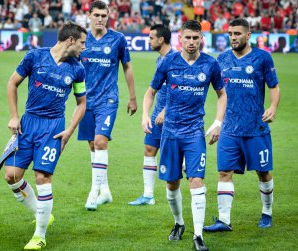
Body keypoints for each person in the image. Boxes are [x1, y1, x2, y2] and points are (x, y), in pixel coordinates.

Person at [143, 20, 227, 251]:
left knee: (196, 180)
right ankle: (179, 223)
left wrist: (218, 122)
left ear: (202, 38)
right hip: (169, 133)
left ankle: (198, 235)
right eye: (188, 37)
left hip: (194, 133)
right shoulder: (168, 61)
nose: (192, 42)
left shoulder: (210, 64)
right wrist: (144, 115)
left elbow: (222, 94)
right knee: (172, 184)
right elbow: (151, 92)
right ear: (181, 38)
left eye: (195, 38)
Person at [3, 22, 87, 250]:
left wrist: (69, 130)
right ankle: (42, 213)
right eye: (82, 43)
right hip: (28, 123)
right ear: (70, 40)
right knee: (11, 176)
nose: (83, 47)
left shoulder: (77, 69)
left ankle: (39, 235)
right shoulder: (35, 57)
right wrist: (13, 116)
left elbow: (81, 104)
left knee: (42, 177)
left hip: (53, 128)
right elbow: (12, 83)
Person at [203, 18, 280, 233]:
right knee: (224, 172)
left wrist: (273, 107)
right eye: (230, 33)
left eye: (237, 33)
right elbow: (216, 92)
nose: (233, 37)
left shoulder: (262, 58)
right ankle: (224, 220)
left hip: (256, 127)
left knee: (263, 173)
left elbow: (273, 86)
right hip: (229, 128)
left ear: (248, 35)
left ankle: (267, 212)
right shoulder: (222, 59)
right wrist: (218, 122)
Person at [78, 0, 137, 211]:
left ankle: (94, 191)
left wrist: (132, 97)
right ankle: (105, 191)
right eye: (97, 15)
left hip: (109, 99)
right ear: (90, 16)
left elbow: (127, 67)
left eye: (104, 15)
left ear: (109, 15)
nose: (100, 19)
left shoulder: (118, 39)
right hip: (85, 100)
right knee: (93, 145)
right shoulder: (81, 39)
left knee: (101, 142)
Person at [128, 24, 172, 206]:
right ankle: (148, 195)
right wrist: (148, 114)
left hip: (172, 116)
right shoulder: (159, 60)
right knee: (149, 149)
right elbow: (154, 90)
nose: (149, 40)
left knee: (174, 158)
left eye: (151, 37)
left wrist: (165, 110)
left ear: (161, 39)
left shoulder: (175, 60)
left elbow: (181, 91)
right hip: (157, 116)